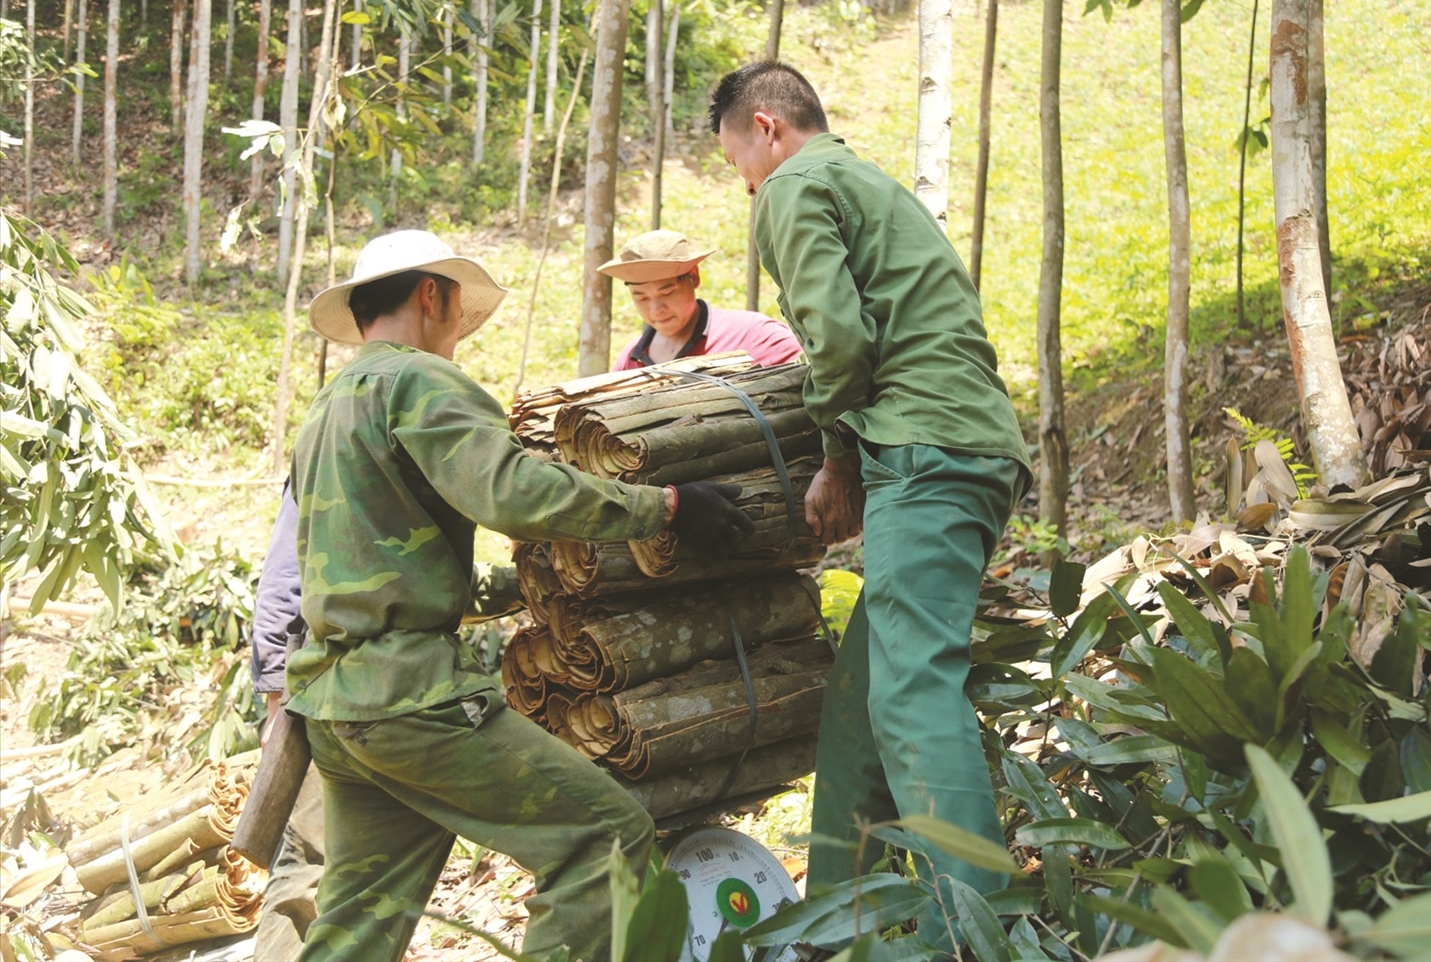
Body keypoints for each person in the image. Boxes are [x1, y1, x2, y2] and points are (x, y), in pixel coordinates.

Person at [277, 229, 752, 962]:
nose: (459, 329)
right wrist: (663, 508)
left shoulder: (330, 404)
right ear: (433, 294)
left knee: (359, 920)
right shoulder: (418, 381)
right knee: (604, 839)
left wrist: (516, 587)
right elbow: (509, 487)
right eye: (459, 309)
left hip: (340, 706)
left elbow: (371, 556)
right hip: (411, 699)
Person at [710, 62, 1033, 952]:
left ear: (767, 128)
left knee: (912, 694)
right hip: (968, 446)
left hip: (925, 454)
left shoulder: (796, 184)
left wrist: (835, 452)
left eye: (739, 161)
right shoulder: (868, 181)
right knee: (861, 709)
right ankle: (837, 928)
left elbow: (839, 338)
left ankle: (983, 929)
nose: (745, 182)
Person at [248, 486, 525, 961]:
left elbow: (416, 577)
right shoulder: (335, 445)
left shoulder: (382, 463)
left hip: (385, 691)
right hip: (322, 687)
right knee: (308, 871)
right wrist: (277, 697)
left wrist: (525, 585)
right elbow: (284, 577)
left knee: (355, 885)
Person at [598, 228, 802, 370]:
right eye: (641, 298)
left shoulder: (755, 336)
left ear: (694, 277)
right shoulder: (629, 361)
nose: (656, 309)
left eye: (667, 292)